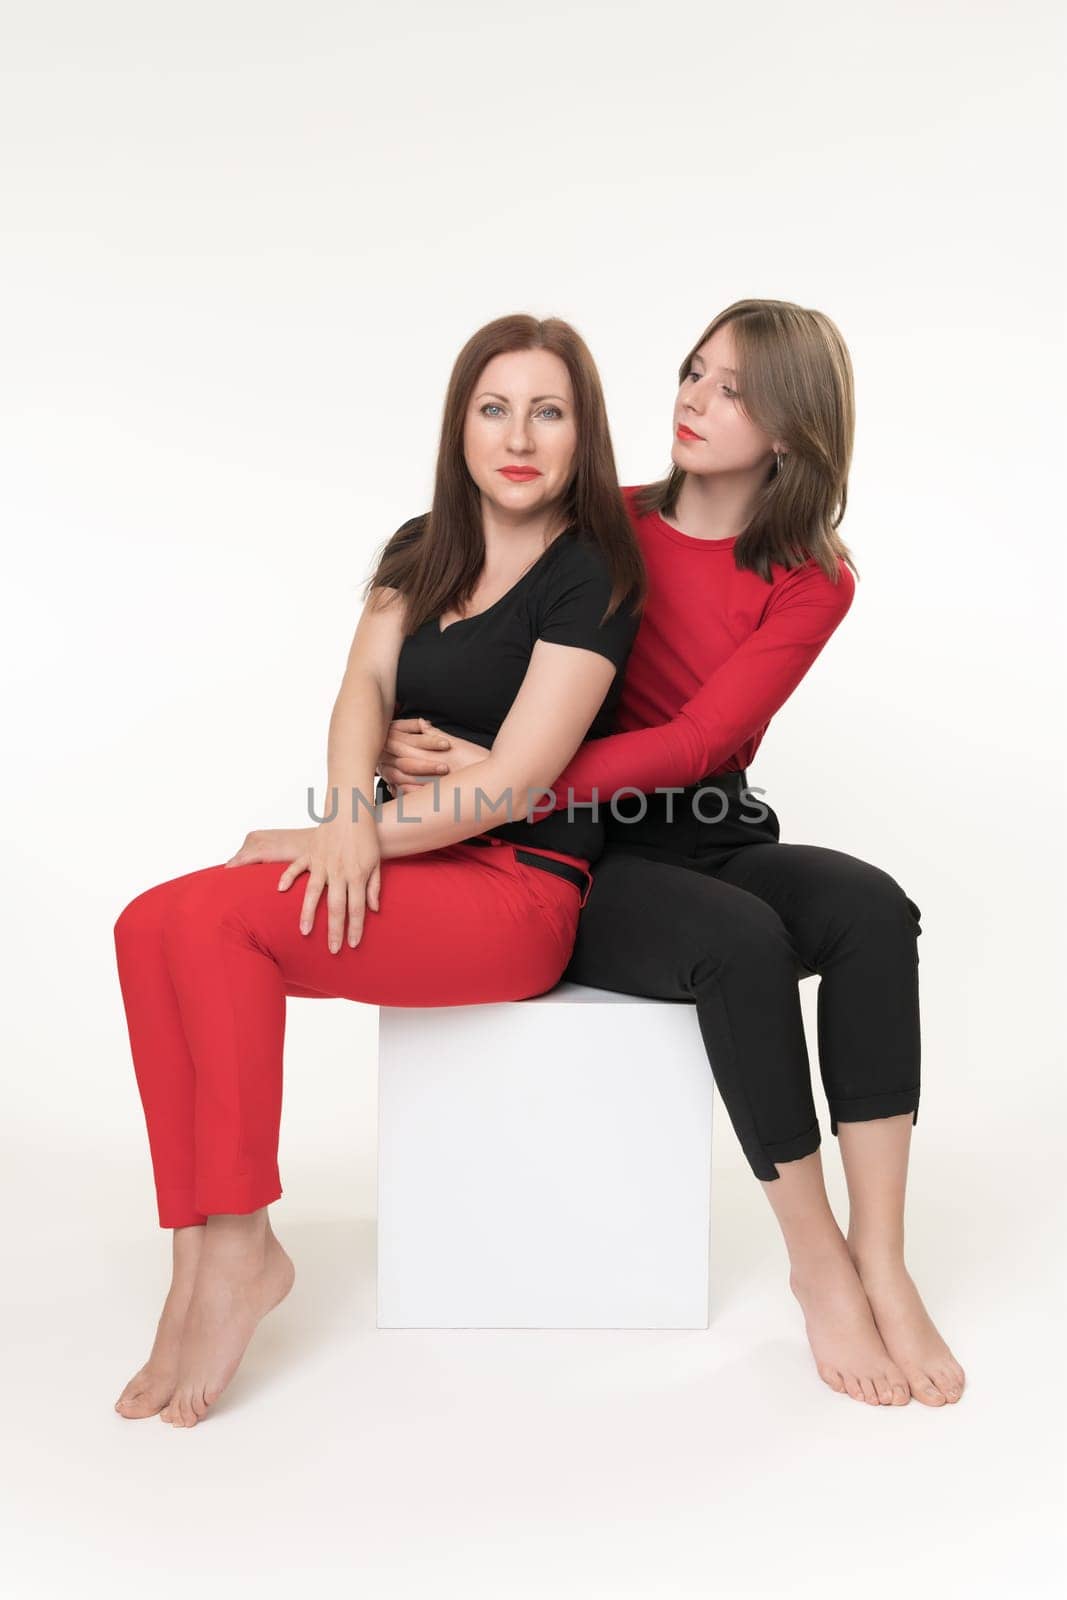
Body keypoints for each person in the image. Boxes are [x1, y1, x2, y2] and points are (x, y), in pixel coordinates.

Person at [372, 300, 966, 1409]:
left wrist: (493, 775)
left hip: (702, 821)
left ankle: (880, 1252)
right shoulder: (602, 523)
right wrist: (463, 775)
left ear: (791, 428)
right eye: (694, 371)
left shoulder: (810, 577)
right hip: (575, 843)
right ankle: (815, 1261)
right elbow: (474, 625)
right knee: (738, 945)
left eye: (733, 387)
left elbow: (699, 742)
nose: (694, 398)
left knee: (874, 909)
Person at [111, 313, 645, 1427]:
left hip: (514, 892)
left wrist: (333, 840)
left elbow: (510, 784)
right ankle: (197, 1255)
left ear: (580, 433)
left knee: (216, 922)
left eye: (547, 411)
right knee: (146, 923)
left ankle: (245, 1248)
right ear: (458, 424)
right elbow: (362, 689)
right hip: (404, 856)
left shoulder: (592, 571)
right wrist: (348, 813)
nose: (518, 435)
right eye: (493, 407)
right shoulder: (420, 544)